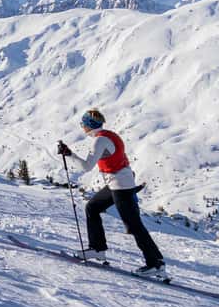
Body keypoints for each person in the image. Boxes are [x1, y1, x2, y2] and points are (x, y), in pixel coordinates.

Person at [57, 109, 167, 279]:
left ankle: (156, 264)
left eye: (83, 124)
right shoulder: (108, 135)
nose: (82, 127)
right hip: (118, 182)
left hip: (120, 185)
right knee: (92, 207)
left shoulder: (99, 141)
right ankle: (97, 249)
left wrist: (70, 154)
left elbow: (86, 167)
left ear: (88, 125)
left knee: (134, 225)